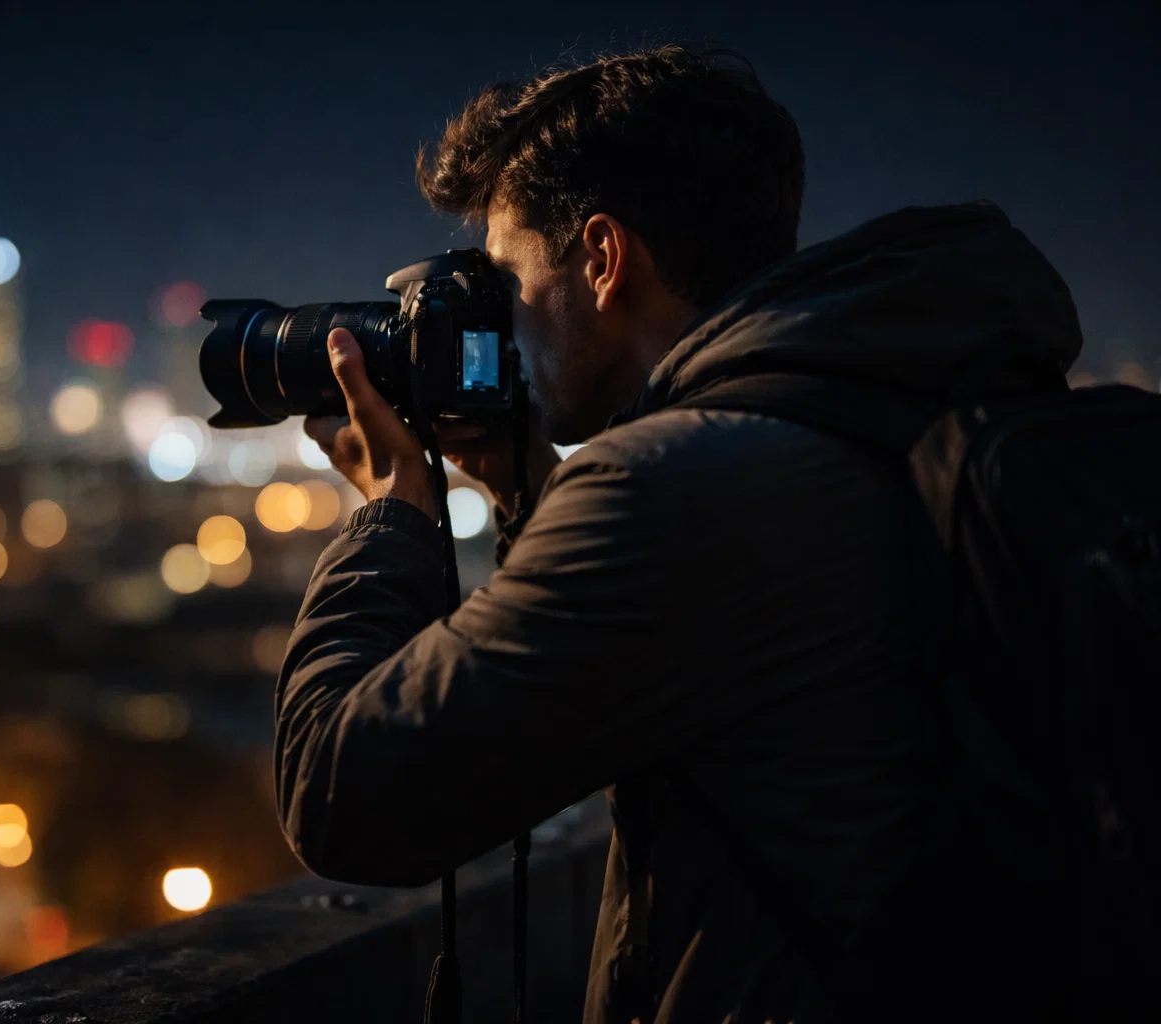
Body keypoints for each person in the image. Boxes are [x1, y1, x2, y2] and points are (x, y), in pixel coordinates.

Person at [278, 45, 1081, 1023]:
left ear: (603, 259)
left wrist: (392, 509)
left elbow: (344, 791)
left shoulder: (679, 489)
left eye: (507, 279)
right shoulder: (875, 411)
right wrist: (526, 480)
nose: (503, 322)